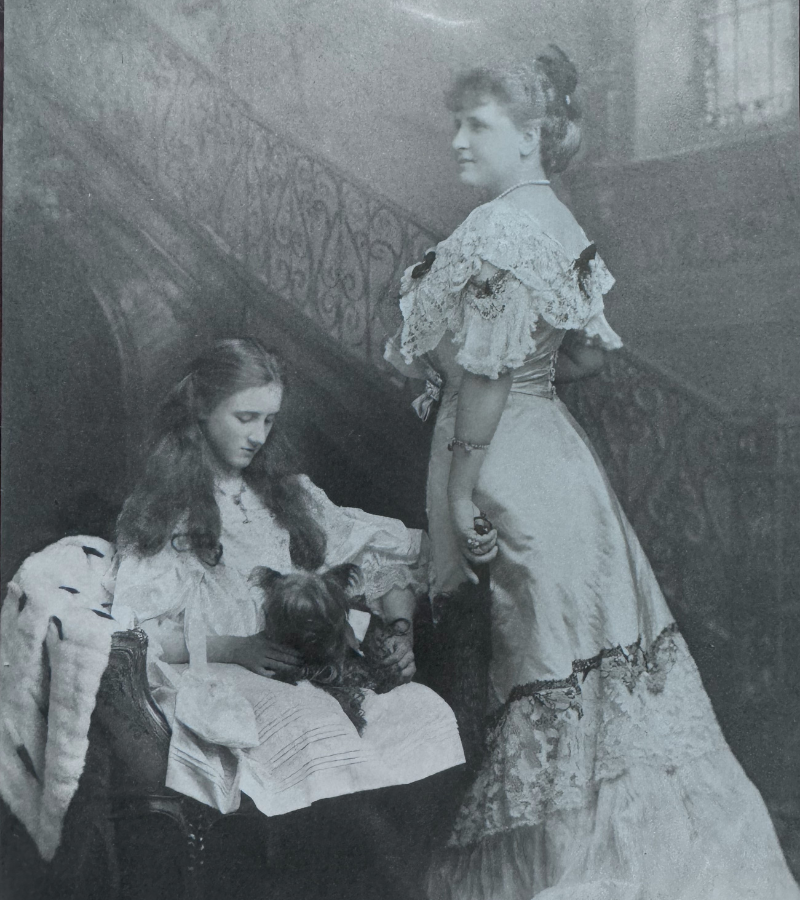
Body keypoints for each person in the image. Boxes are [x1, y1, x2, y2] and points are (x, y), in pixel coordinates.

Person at [385, 46, 800, 900]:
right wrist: (511, 376)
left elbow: (489, 377)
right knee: (596, 659)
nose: (457, 142)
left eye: (477, 126)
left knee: (548, 664)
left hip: (506, 463)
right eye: (453, 125)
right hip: (560, 463)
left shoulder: (500, 228)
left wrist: (460, 489)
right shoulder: (557, 221)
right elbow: (582, 359)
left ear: (530, 134)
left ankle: (576, 872)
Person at [112, 338, 465, 899]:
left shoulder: (290, 494)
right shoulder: (167, 506)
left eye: (269, 420)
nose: (257, 435)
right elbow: (137, 628)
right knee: (312, 729)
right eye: (245, 416)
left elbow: (377, 557)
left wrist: (398, 629)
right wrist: (235, 647)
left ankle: (385, 885)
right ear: (202, 409)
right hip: (224, 673)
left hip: (313, 670)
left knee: (421, 713)